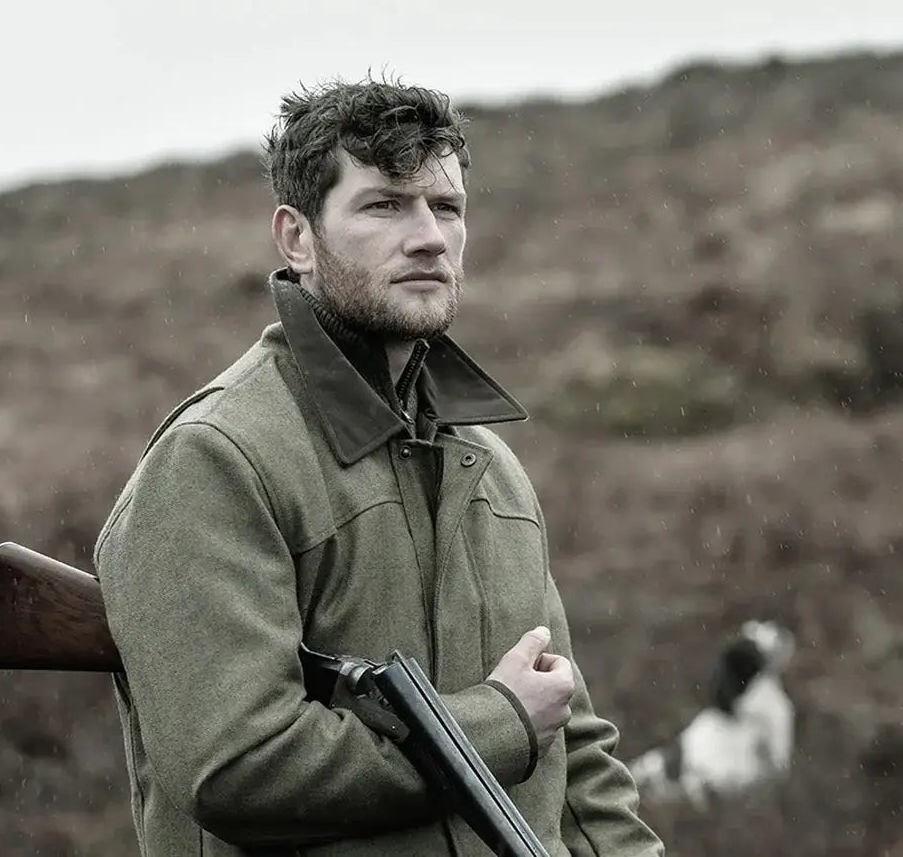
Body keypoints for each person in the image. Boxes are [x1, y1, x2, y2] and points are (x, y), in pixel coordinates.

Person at [94, 76, 666, 856]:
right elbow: (236, 767)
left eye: (448, 207)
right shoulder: (217, 459)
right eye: (385, 205)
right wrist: (496, 723)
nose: (429, 236)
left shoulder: (490, 467)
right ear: (297, 238)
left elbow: (575, 745)